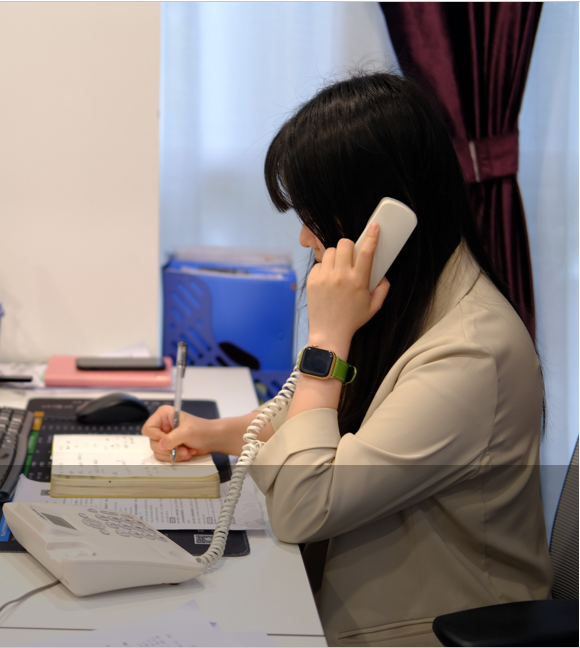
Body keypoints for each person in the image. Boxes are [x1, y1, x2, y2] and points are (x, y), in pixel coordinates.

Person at [143, 72, 552, 647]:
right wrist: (214, 433)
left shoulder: (471, 354)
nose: (305, 239)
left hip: (431, 632)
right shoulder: (414, 295)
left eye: (314, 215)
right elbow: (327, 430)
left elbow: (303, 506)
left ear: (382, 220)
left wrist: (329, 337)